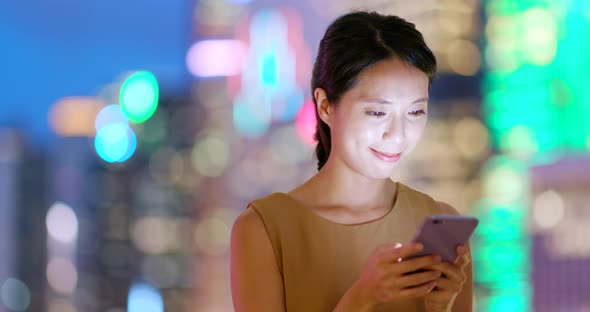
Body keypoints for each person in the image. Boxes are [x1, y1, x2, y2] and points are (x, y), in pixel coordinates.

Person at [230, 11, 473, 312]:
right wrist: (362, 298)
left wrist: (440, 307)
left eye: (414, 112)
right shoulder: (264, 229)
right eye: (377, 112)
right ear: (325, 107)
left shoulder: (438, 219)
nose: (397, 134)